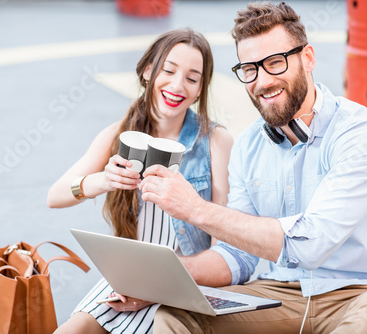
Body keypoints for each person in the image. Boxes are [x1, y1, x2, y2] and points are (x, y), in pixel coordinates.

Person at [139, 2, 367, 333]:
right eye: (250, 69)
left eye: (274, 62)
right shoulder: (248, 147)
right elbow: (236, 257)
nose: (263, 81)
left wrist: (196, 210)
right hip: (277, 295)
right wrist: (157, 279)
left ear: (308, 58)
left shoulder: (358, 133)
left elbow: (311, 245)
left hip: (359, 294)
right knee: (175, 314)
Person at [47, 28, 234, 334]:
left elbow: (222, 244)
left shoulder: (215, 141)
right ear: (148, 71)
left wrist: (160, 287)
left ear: (201, 89)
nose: (177, 85)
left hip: (184, 287)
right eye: (168, 70)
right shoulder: (118, 134)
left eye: (191, 77)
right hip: (129, 283)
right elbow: (54, 196)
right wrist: (102, 180)